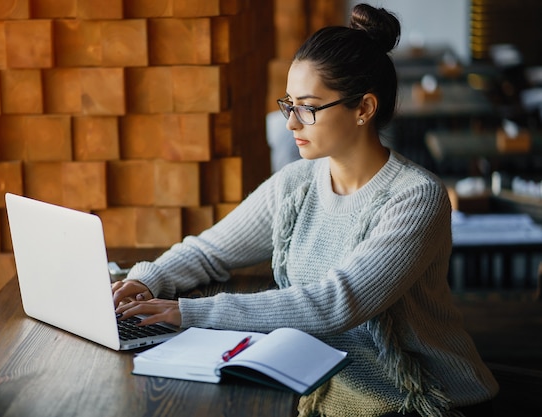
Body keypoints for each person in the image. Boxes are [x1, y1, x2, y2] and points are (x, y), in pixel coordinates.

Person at [112, 4, 499, 417]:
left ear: (364, 109)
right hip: (323, 381)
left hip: (420, 396)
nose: (291, 124)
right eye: (288, 104)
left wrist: (189, 313)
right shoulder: (296, 183)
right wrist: (148, 280)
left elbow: (336, 304)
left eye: (308, 107)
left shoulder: (416, 198)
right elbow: (211, 250)